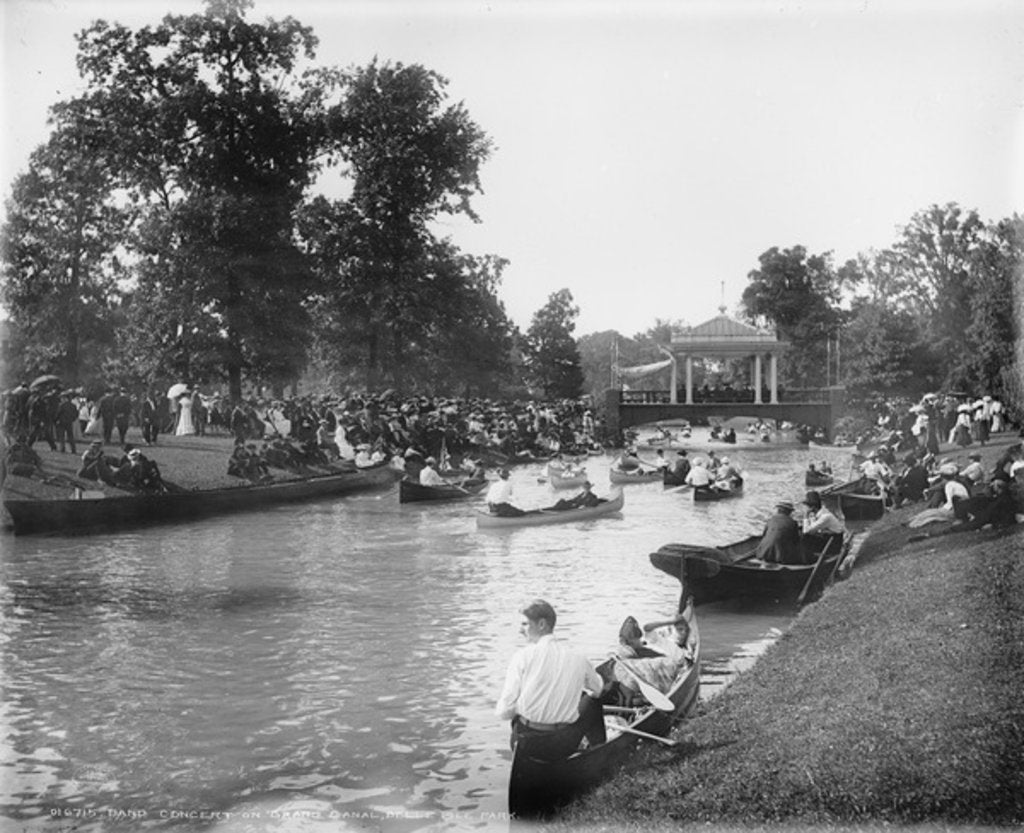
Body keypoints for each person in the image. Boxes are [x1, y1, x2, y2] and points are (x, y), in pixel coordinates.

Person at [495, 599, 606, 764]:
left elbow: (503, 712)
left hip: (526, 743)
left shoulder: (521, 657)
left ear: (541, 624)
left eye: (525, 624)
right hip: (562, 744)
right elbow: (598, 690)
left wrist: (521, 708)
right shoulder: (579, 658)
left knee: (516, 712)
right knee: (593, 702)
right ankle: (599, 757)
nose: (520, 630)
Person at [799, 490, 845, 561]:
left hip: (834, 544)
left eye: (807, 506)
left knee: (804, 536)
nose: (806, 508)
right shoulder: (817, 514)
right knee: (800, 530)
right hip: (828, 538)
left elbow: (806, 531)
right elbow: (812, 527)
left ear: (812, 507)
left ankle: (807, 558)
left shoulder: (825, 517)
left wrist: (805, 516)